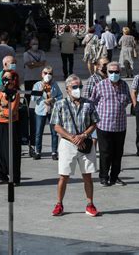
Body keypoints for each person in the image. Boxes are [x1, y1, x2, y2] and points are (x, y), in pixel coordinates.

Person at [49, 75, 100, 217]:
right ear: (67, 89)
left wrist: (83, 135)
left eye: (80, 87)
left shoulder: (88, 104)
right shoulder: (60, 104)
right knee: (63, 176)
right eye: (74, 87)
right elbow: (56, 126)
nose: (78, 89)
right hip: (67, 143)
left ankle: (90, 204)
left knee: (87, 176)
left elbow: (94, 123)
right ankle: (59, 204)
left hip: (85, 144)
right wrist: (71, 137)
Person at [91, 61, 131, 186]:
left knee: (118, 153)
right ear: (107, 73)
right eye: (111, 72)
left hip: (120, 126)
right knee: (105, 152)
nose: (114, 74)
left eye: (116, 72)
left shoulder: (124, 85)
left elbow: (127, 100)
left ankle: (115, 176)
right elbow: (92, 102)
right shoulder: (100, 85)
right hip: (104, 125)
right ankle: (104, 176)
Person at [0, 70, 21, 185]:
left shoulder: (15, 93)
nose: (5, 80)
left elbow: (12, 111)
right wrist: (1, 112)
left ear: (13, 80)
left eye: (7, 78)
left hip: (11, 125)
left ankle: (14, 178)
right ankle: (1, 176)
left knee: (11, 151)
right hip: (0, 124)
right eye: (4, 78)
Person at [32, 66, 63, 160]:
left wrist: (53, 99)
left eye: (50, 73)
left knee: (54, 132)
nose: (47, 75)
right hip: (40, 111)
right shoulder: (37, 85)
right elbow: (33, 99)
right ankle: (37, 151)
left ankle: (54, 152)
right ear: (42, 74)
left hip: (52, 110)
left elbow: (60, 95)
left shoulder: (54, 84)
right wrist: (41, 91)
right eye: (45, 73)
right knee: (38, 132)